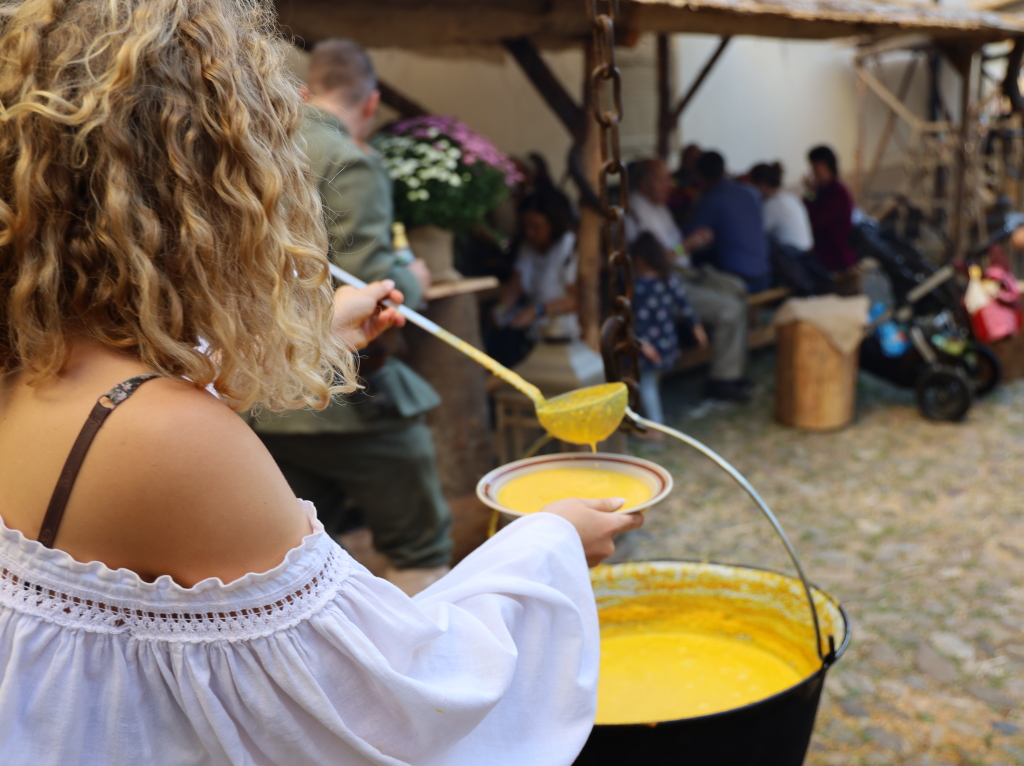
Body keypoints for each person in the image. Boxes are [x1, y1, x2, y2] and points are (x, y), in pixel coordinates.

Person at [0, 2, 644, 765]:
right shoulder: (175, 441)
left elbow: (122, 427)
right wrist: (550, 547)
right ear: (208, 195)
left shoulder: (38, 366)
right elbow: (395, 710)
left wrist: (315, 334)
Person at [249, 39, 449, 596]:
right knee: (421, 545)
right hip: (341, 396)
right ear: (372, 103)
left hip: (260, 398)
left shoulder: (260, 147)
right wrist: (415, 280)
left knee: (301, 556)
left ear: (308, 91)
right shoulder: (349, 161)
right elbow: (369, 286)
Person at [626, 158, 751, 402]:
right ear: (644, 184)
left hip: (686, 273)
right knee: (730, 309)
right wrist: (688, 246)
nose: (669, 185)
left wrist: (692, 241)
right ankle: (722, 379)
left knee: (738, 289)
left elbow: (674, 245)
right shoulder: (633, 214)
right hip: (666, 282)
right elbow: (655, 262)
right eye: (663, 180)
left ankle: (734, 368)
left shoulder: (658, 207)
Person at [489, 191, 579, 366]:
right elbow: (515, 286)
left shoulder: (569, 246)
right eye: (526, 226)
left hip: (561, 332)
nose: (530, 233)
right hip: (531, 332)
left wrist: (537, 310)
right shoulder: (528, 248)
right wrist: (499, 310)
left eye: (537, 227)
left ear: (553, 224)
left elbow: (576, 300)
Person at [631, 233, 709, 426]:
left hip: (650, 345)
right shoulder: (668, 279)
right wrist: (696, 328)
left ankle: (654, 426)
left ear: (639, 260)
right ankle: (649, 422)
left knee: (647, 384)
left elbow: (639, 321)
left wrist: (642, 344)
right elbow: (685, 305)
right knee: (651, 382)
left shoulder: (641, 287)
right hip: (667, 341)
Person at [685, 151, 772, 293]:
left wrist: (695, 203)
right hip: (765, 276)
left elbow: (686, 242)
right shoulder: (751, 192)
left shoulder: (711, 200)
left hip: (739, 281)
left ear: (700, 177)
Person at [804, 145, 857, 272]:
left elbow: (815, 220)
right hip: (825, 253)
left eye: (814, 165)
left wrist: (811, 192)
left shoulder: (837, 191)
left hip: (836, 255)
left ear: (825, 165)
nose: (812, 171)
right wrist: (811, 192)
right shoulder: (822, 190)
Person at [749, 162, 814, 252]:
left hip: (792, 258)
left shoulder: (771, 205)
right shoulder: (791, 198)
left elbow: (753, 234)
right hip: (806, 256)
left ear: (762, 184)